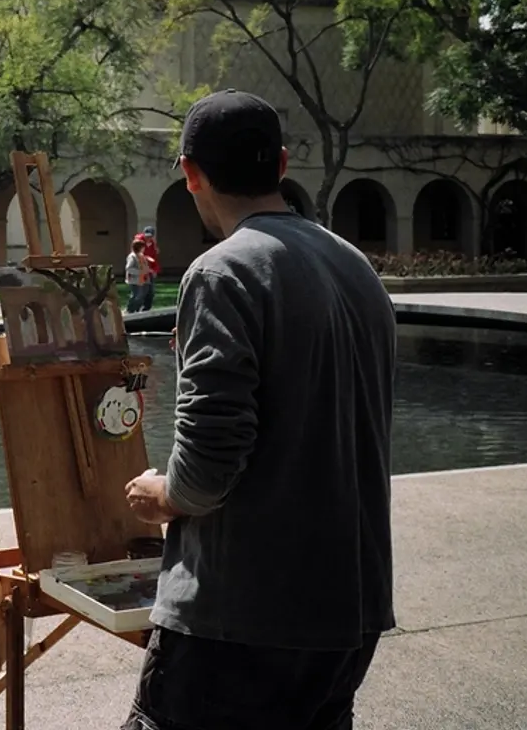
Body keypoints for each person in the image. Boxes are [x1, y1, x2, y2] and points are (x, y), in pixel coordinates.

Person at [122, 88, 396, 730]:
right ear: (281, 165)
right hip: (347, 612)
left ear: (190, 173)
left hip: (244, 615)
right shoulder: (356, 268)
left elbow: (209, 463)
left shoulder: (222, 273)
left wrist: (162, 494)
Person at [124, 237, 151, 314]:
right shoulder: (132, 257)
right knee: (136, 296)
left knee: (142, 296)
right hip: (135, 280)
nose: (144, 249)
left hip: (144, 279)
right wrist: (140, 272)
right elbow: (129, 268)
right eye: (143, 247)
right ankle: (129, 310)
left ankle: (136, 309)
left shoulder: (141, 256)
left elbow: (144, 266)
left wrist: (148, 270)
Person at [138, 226, 160, 310]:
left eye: (150, 236)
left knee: (151, 291)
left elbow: (154, 259)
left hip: (150, 270)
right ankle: (135, 308)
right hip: (141, 270)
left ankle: (147, 308)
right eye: (146, 236)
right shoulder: (139, 243)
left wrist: (155, 270)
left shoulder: (153, 245)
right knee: (141, 291)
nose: (148, 238)